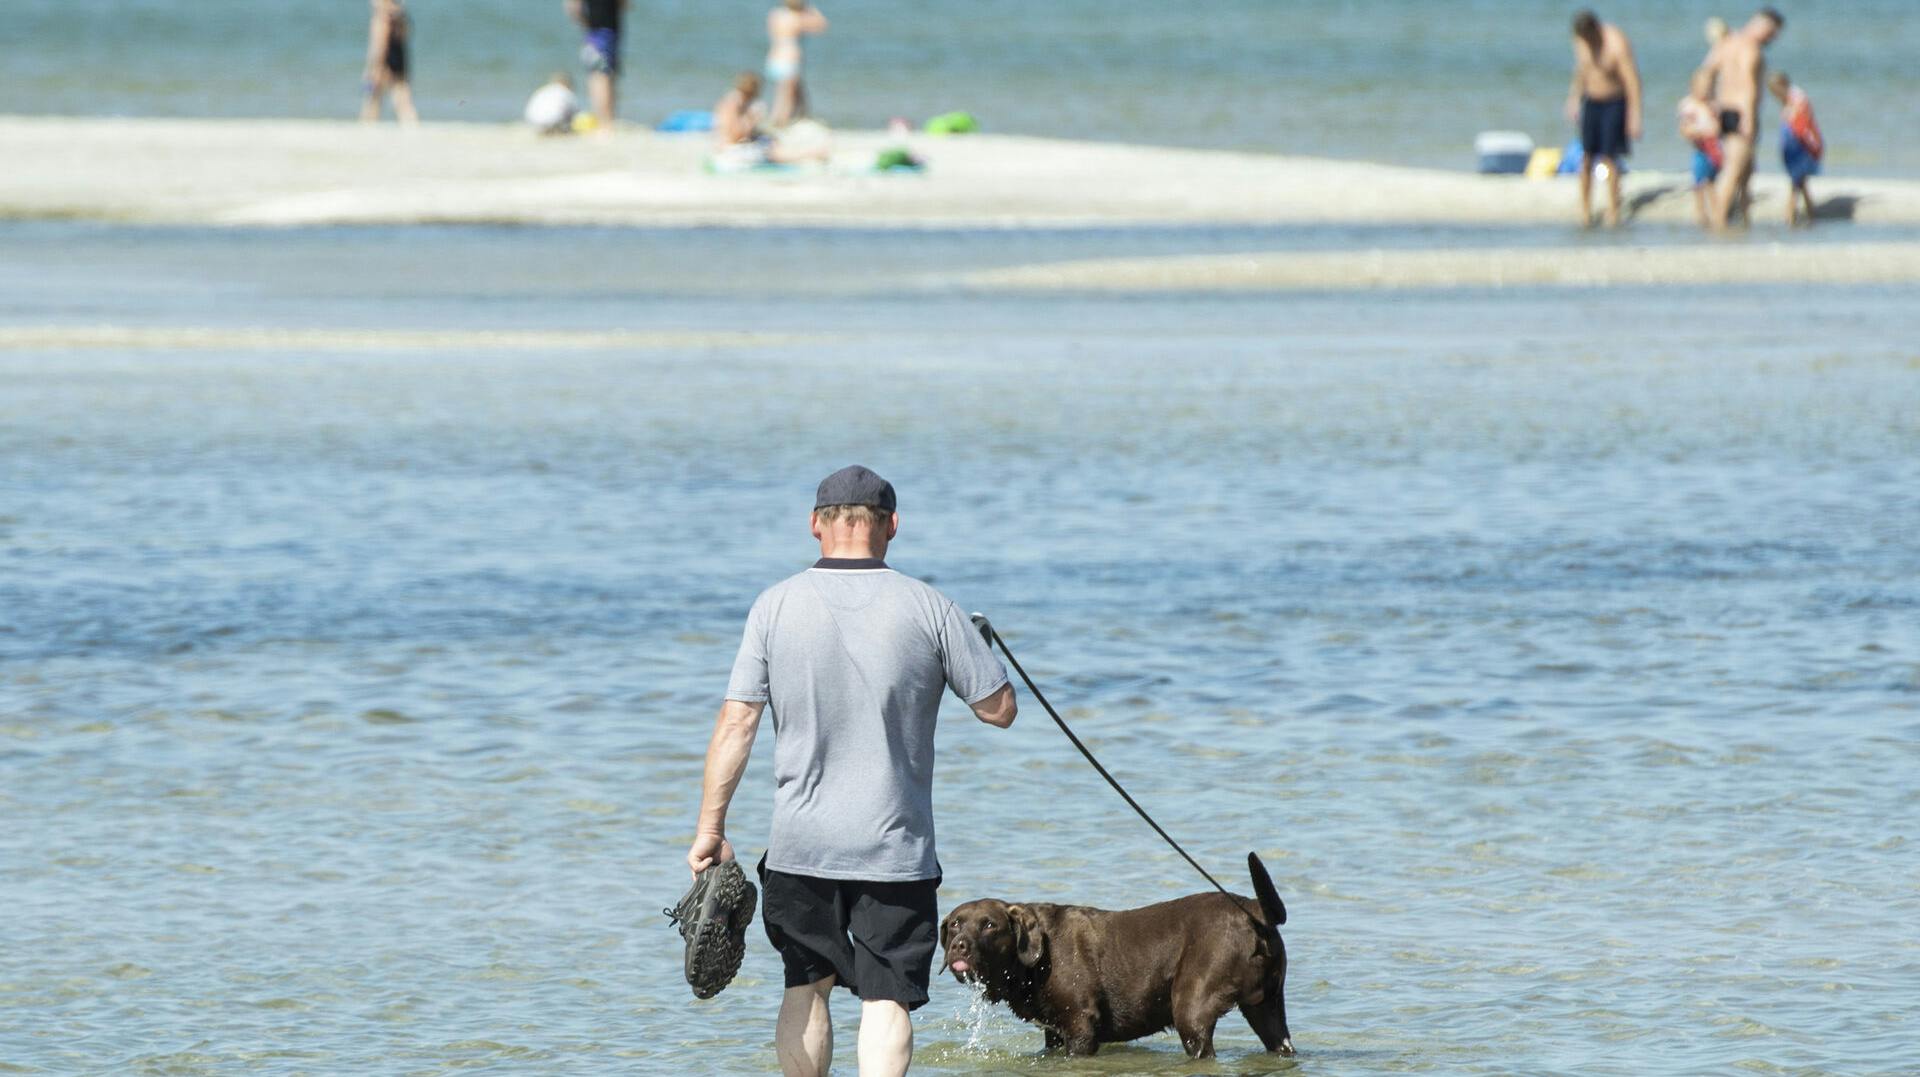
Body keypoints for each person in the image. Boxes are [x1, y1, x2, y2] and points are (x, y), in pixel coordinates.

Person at [687, 466, 1018, 1077]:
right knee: (886, 997)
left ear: (816, 524)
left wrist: (711, 827)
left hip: (800, 845)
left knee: (804, 985)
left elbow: (738, 722)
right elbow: (999, 711)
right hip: (894, 847)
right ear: (893, 525)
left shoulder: (773, 606)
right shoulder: (931, 607)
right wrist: (977, 649)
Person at [1696, 7, 1785, 230]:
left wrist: (1706, 103)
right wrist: (1748, 119)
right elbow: (1748, 86)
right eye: (1772, 33)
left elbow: (1705, 73)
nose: (1772, 38)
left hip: (1725, 110)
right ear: (1762, 24)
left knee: (1745, 170)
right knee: (1733, 170)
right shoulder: (1751, 49)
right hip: (1741, 113)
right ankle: (1719, 223)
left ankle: (1743, 219)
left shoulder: (1726, 43)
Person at [1564, 10, 1642, 229]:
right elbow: (1581, 71)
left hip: (1614, 102)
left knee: (1609, 157)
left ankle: (1613, 208)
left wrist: (1635, 116)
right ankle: (1585, 208)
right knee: (1586, 157)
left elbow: (1633, 81)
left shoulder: (1616, 43)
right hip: (1591, 102)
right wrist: (1574, 99)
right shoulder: (1581, 42)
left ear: (1596, 30)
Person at [710, 72, 830, 171]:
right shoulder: (735, 104)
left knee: (773, 146)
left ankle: (813, 153)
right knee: (775, 153)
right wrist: (751, 120)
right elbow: (736, 134)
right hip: (730, 150)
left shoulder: (731, 101)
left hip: (725, 147)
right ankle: (814, 153)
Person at [565, 0, 630, 129]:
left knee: (598, 74)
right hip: (605, 29)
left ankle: (604, 120)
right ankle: (606, 122)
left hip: (594, 30)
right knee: (603, 75)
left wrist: (584, 22)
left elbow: (573, 7)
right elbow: (625, 5)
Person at [1770, 71, 1823, 226]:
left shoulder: (1797, 99)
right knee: (1800, 184)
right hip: (1795, 145)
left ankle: (1791, 217)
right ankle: (1810, 215)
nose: (1775, 96)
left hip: (1801, 146)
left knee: (1796, 183)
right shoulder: (1790, 99)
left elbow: (1801, 127)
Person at [765, 0, 829, 127]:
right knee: (787, 97)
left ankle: (800, 118)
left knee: (786, 92)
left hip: (774, 56)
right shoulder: (797, 18)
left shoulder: (776, 14)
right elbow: (822, 25)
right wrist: (811, 9)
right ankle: (781, 123)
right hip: (789, 58)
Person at [360, 0, 418, 125]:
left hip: (383, 62)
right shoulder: (399, 17)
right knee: (402, 97)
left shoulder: (381, 18)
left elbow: (379, 46)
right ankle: (412, 127)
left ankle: (367, 129)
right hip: (399, 59)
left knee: (373, 99)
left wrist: (371, 68)